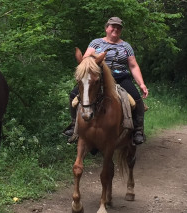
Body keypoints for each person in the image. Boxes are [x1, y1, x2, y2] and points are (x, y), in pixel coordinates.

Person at [63, 16, 149, 145]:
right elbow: (86, 59)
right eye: (113, 26)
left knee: (136, 99)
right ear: (106, 28)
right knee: (73, 95)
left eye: (119, 27)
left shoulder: (126, 46)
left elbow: (133, 65)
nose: (116, 29)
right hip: (99, 78)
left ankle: (138, 130)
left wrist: (141, 84)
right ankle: (74, 125)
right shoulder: (96, 43)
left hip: (120, 78)